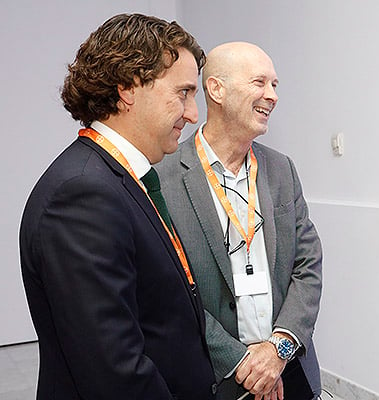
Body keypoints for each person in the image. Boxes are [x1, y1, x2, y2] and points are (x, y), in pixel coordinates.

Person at [19, 13, 217, 399]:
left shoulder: (119, 179)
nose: (194, 115)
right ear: (128, 88)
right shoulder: (82, 195)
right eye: (183, 93)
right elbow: (115, 370)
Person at [156, 41, 323, 400]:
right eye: (259, 83)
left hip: (289, 371)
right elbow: (170, 292)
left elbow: (308, 265)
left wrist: (277, 350)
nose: (272, 95)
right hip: (216, 379)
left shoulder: (281, 169)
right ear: (216, 89)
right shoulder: (164, 178)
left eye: (275, 85)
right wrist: (244, 363)